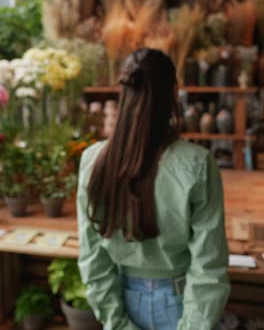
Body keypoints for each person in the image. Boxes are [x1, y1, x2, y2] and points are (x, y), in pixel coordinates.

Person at [77, 48, 230, 330]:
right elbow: (209, 265)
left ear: (124, 92)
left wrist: (117, 322)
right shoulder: (197, 163)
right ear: (175, 92)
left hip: (122, 301)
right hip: (183, 303)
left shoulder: (92, 160)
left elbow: (92, 258)